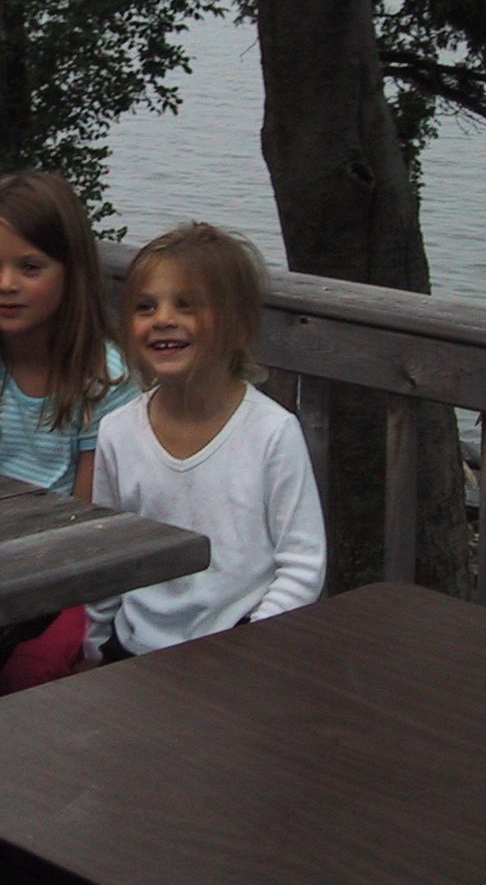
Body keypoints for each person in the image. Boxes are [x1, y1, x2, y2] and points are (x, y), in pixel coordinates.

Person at [81, 224, 327, 667]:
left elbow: (303, 564)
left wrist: (255, 642)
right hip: (132, 649)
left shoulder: (272, 432)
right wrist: (95, 644)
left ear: (236, 323)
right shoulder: (117, 431)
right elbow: (109, 553)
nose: (163, 319)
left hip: (238, 651)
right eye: (145, 306)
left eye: (187, 305)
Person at [0, 172, 139, 691]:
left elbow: (88, 520)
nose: (6, 284)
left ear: (72, 272)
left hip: (62, 569)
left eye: (30, 267)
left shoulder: (105, 380)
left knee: (26, 669)